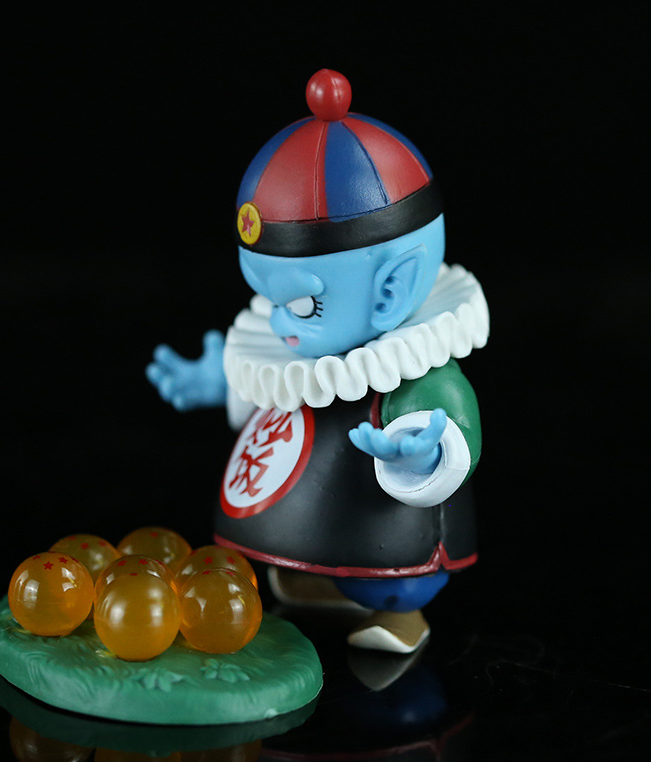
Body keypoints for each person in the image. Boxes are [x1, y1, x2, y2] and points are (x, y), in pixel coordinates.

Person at [147, 70, 489, 653]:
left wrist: (422, 453)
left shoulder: (412, 363)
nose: (280, 323)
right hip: (310, 508)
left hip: (385, 525)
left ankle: (399, 610)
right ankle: (312, 573)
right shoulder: (296, 353)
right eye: (267, 297)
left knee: (388, 562)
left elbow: (451, 418)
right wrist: (222, 381)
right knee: (297, 537)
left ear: (391, 290)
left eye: (304, 304)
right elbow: (279, 396)